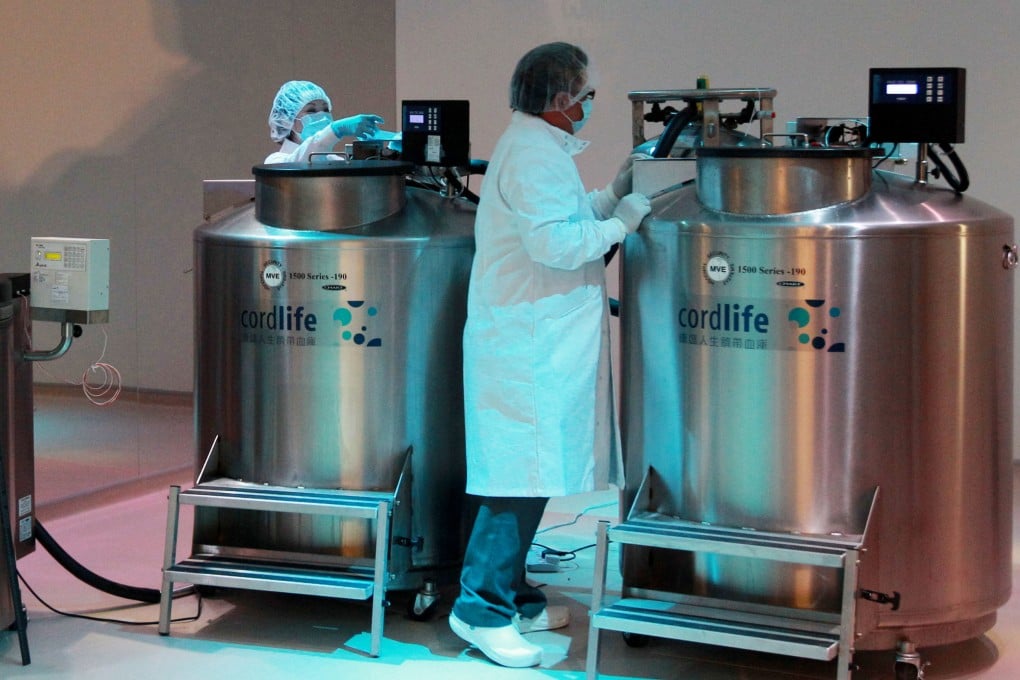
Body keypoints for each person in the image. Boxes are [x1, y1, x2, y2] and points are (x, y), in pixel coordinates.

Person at [448, 42, 651, 668]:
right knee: (516, 478)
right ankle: (479, 609)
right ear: (562, 99)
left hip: (537, 338)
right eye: (586, 97)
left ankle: (513, 592)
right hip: (524, 344)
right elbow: (555, 244)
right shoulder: (533, 153)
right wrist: (621, 226)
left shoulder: (539, 146)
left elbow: (563, 217)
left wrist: (613, 195)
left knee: (529, 476)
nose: (589, 106)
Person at [265, 80, 384, 163]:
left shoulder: (333, 161)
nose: (322, 116)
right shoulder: (276, 161)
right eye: (311, 110)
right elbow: (300, 162)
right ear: (287, 120)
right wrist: (337, 129)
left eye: (326, 109)